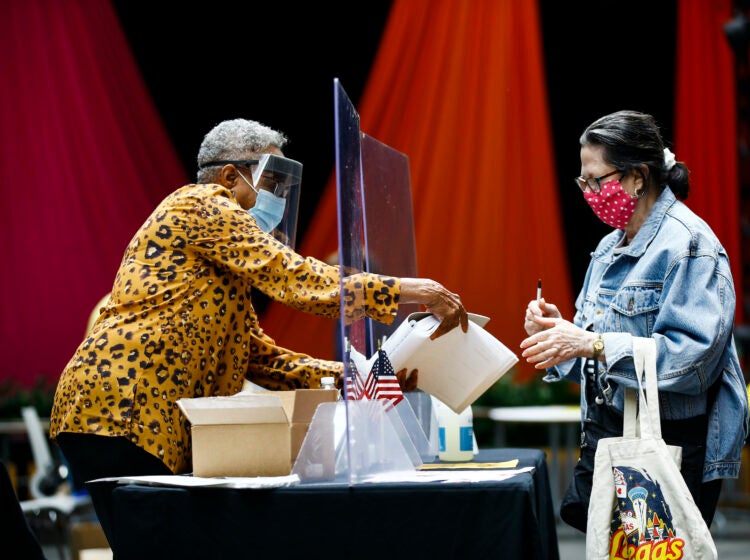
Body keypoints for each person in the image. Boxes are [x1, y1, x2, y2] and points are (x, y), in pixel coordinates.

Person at [50, 118, 468, 487]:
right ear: (230, 176)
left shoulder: (223, 261)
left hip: (134, 422)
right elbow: (295, 278)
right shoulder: (201, 204)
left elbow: (261, 359)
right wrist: (411, 290)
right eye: (271, 184)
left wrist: (360, 378)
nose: (280, 200)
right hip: (119, 410)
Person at [520, 110, 749, 532]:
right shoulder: (609, 247)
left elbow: (694, 361)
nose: (588, 192)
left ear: (638, 176)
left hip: (671, 446)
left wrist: (593, 344)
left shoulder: (689, 245)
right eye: (582, 182)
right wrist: (560, 338)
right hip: (614, 440)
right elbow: (600, 366)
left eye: (596, 180)